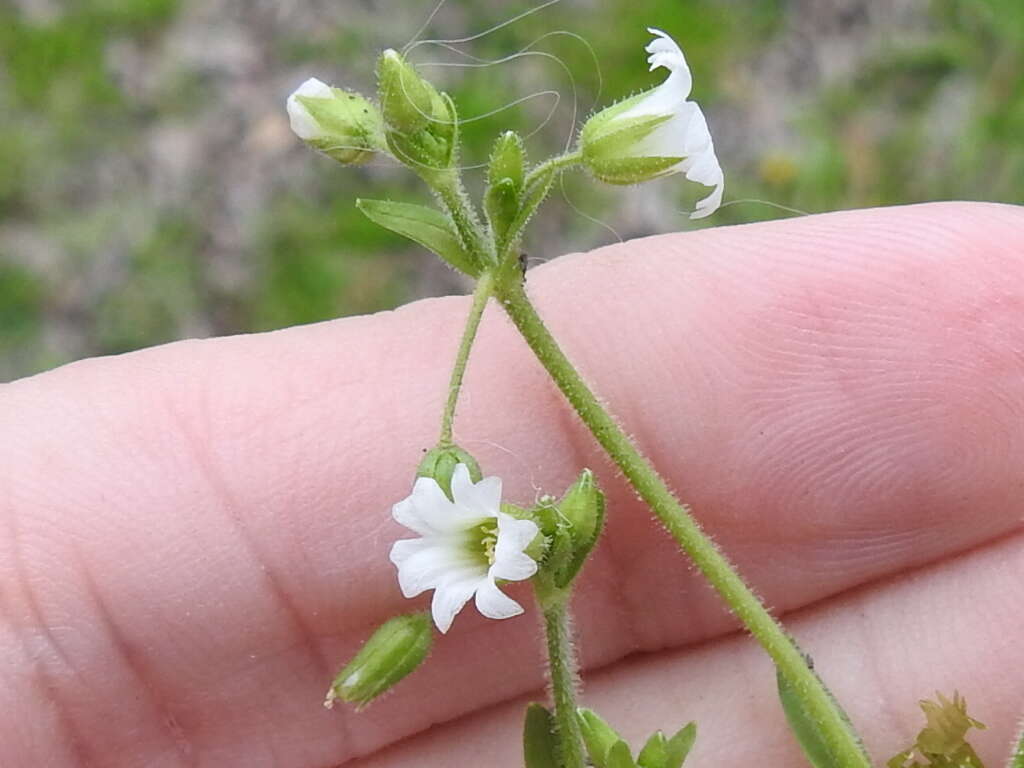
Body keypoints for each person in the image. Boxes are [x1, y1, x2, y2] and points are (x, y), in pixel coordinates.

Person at [1, 202, 1022, 766]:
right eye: (489, 540)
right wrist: (493, 541)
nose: (494, 546)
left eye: (492, 537)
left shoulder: (494, 541)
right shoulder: (477, 540)